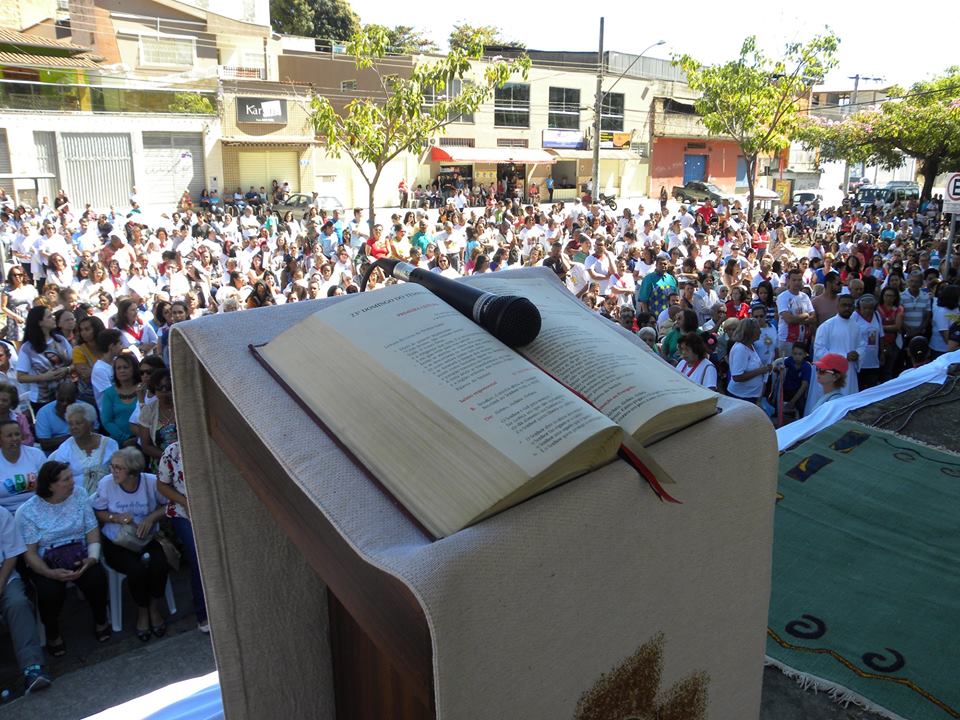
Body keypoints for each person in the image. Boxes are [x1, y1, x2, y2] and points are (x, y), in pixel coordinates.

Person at [15, 460, 111, 655]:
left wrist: (91, 559)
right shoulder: (29, 511)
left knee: (96, 578)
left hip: (79, 555)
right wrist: (49, 573)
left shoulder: (80, 495)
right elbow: (30, 553)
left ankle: (101, 620)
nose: (72, 482)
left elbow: (92, 531)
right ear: (50, 485)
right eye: (66, 479)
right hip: (47, 562)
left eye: (71, 477)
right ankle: (52, 633)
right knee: (49, 591)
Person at [92, 447, 168, 642]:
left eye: (119, 468)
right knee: (136, 570)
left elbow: (168, 504)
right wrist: (115, 518)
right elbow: (98, 512)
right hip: (117, 541)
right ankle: (142, 611)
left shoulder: (151, 482)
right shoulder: (107, 484)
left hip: (146, 538)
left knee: (159, 563)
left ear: (133, 472)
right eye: (112, 466)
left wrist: (151, 517)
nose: (113, 471)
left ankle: (154, 607)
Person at [0, 506, 52, 693]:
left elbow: (11, 555)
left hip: (4, 577)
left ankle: (33, 670)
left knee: (17, 603)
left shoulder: (1, 514)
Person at [157, 441, 207, 633]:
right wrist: (184, 501)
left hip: (213, 508)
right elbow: (161, 484)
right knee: (198, 558)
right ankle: (203, 613)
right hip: (184, 513)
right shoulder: (173, 450)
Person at [807, 294, 861, 414]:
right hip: (830, 374)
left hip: (850, 372)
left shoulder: (857, 327)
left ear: (854, 308)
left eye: (850, 305)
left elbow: (862, 346)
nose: (847, 308)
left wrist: (857, 354)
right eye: (844, 305)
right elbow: (819, 349)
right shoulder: (827, 326)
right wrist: (843, 357)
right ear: (837, 306)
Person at [49, 403, 118, 496]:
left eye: (78, 423)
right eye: (70, 424)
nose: (73, 427)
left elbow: (119, 471)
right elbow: (59, 478)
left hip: (109, 494)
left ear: (91, 424)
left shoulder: (110, 444)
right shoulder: (65, 448)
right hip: (76, 498)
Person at [15, 306, 73, 414]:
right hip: (42, 399)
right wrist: (44, 377)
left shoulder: (60, 340)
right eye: (49, 316)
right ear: (40, 322)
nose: (54, 318)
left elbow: (75, 363)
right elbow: (20, 377)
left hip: (67, 394)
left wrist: (67, 369)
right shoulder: (28, 348)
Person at [0, 418, 46, 514]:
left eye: (17, 434)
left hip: (38, 509)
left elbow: (48, 484)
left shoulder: (36, 455)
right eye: (9, 435)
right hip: (6, 514)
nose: (15, 438)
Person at [134, 369, 176, 467]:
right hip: (162, 463)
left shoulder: (186, 407)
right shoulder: (148, 411)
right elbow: (146, 446)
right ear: (154, 390)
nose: (164, 392)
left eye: (168, 388)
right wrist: (169, 458)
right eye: (160, 388)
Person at [99, 353, 140, 446]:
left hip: (143, 441)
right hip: (118, 443)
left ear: (134, 369)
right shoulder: (109, 393)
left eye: (125, 367)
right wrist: (125, 438)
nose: (122, 370)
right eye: (118, 368)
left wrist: (138, 438)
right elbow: (107, 421)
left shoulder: (143, 389)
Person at [727, 318, 771, 404]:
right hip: (741, 397)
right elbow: (737, 377)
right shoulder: (740, 349)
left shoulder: (750, 346)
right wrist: (760, 371)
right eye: (758, 329)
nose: (760, 332)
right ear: (751, 332)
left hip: (749, 396)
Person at [776, 268, 815, 357]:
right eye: (794, 280)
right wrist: (805, 315)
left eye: (799, 280)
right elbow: (788, 319)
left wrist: (796, 319)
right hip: (787, 339)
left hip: (802, 340)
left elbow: (813, 318)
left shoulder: (805, 297)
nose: (797, 282)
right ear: (788, 280)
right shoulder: (783, 297)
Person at [1, 265, 38, 344]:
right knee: (20, 344)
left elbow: (37, 302)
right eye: (14, 275)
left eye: (20, 274)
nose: (17, 277)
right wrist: (15, 316)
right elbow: (3, 307)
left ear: (24, 275)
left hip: (30, 317)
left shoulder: (30, 288)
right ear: (11, 277)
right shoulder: (7, 290)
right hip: (16, 319)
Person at [854, 294, 883, 389]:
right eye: (864, 308)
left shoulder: (877, 316)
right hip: (859, 361)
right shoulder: (854, 317)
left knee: (872, 387)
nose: (867, 311)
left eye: (870, 308)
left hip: (873, 360)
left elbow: (881, 335)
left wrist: (882, 353)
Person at [91, 329, 123, 407]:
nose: (122, 347)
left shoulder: (118, 362)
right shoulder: (99, 370)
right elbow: (111, 395)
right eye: (120, 344)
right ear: (111, 346)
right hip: (111, 414)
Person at [780, 343, 812, 419]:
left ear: (805, 355)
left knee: (802, 408)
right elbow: (780, 366)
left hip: (798, 392)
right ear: (792, 353)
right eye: (794, 354)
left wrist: (792, 401)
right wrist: (778, 369)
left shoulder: (806, 367)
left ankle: (801, 422)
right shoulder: (790, 360)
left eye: (800, 354)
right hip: (786, 389)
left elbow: (804, 386)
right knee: (775, 402)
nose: (797, 356)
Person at [930, 285, 960, 358]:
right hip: (941, 350)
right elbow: (946, 337)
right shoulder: (941, 312)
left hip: (955, 348)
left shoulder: (956, 309)